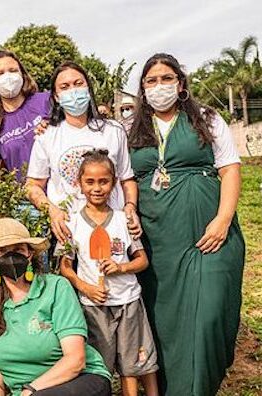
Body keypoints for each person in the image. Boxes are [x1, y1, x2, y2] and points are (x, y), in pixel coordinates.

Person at [128, 53, 245, 395]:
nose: (159, 86)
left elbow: (230, 169)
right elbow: (122, 176)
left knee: (210, 312)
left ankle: (200, 385)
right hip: (158, 237)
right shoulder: (131, 128)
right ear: (143, 89)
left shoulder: (206, 119)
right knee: (164, 316)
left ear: (180, 84)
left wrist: (223, 220)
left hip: (208, 231)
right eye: (151, 81)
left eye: (167, 78)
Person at [58, 150, 158, 396]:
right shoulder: (72, 223)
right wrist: (86, 287)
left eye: (103, 181)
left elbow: (142, 260)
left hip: (128, 302)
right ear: (79, 184)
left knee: (131, 366)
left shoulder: (125, 220)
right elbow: (65, 267)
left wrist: (120, 267)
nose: (97, 188)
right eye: (89, 181)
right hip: (93, 307)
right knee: (99, 367)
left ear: (113, 183)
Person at [0, 218, 111, 395]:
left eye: (18, 250)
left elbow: (76, 360)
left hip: (81, 380)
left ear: (29, 254)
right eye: (2, 251)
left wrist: (31, 389)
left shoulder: (56, 288)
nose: (10, 257)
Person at [25, 61, 140, 246]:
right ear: (56, 95)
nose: (73, 91)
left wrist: (130, 207)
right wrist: (52, 211)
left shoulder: (113, 130)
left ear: (88, 87)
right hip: (70, 233)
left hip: (113, 231)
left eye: (78, 84)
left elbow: (127, 179)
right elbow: (32, 185)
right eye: (65, 87)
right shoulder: (47, 135)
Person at [0, 50, 49, 182]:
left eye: (13, 70)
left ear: (22, 74)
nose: (8, 77)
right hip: (27, 199)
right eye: (0, 73)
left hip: (62, 195)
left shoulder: (46, 101)